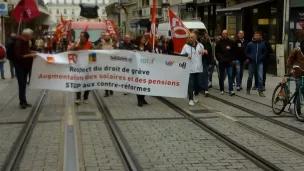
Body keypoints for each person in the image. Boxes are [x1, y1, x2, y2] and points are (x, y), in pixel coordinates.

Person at [13, 29, 37, 109]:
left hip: (25, 66)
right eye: (31, 35)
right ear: (26, 35)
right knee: (22, 84)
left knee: (23, 84)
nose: (32, 37)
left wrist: (31, 51)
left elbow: (25, 51)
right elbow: (18, 56)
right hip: (20, 66)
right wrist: (30, 55)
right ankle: (22, 102)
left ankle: (24, 101)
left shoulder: (26, 42)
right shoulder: (18, 42)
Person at [70, 31, 95, 105]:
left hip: (87, 66)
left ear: (86, 38)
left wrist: (90, 64)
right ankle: (78, 98)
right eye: (80, 36)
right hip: (78, 66)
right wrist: (75, 46)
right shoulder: (77, 43)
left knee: (87, 83)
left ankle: (85, 97)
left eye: (82, 36)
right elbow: (70, 52)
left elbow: (94, 55)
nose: (80, 37)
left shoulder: (91, 44)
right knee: (78, 82)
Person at [180, 33, 204, 106]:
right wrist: (186, 55)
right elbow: (181, 55)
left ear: (195, 38)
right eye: (189, 37)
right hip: (190, 69)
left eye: (192, 37)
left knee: (199, 84)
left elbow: (205, 53)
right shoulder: (186, 46)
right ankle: (190, 99)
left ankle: (195, 94)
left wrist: (205, 52)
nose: (190, 38)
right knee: (191, 84)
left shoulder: (200, 45)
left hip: (199, 68)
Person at [245, 31, 267, 97]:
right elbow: (246, 52)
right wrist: (250, 57)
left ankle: (260, 91)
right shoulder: (250, 44)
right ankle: (248, 89)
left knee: (260, 77)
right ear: (254, 36)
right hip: (252, 62)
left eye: (258, 35)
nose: (257, 36)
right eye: (255, 35)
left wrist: (261, 57)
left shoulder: (263, 44)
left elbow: (265, 52)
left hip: (260, 62)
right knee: (250, 77)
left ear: (260, 36)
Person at [215, 30, 235, 96]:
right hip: (222, 62)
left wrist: (232, 59)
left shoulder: (231, 42)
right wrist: (219, 59)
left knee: (230, 76)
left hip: (229, 62)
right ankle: (222, 89)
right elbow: (216, 52)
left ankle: (231, 90)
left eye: (225, 33)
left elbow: (233, 52)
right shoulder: (219, 42)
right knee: (221, 76)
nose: (224, 35)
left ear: (227, 34)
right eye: (223, 33)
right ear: (222, 34)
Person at [96, 32, 115, 97]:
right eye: (105, 36)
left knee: (111, 77)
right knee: (105, 77)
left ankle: (111, 88)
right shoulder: (101, 43)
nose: (106, 37)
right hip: (104, 63)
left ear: (110, 37)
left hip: (112, 63)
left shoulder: (113, 43)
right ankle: (106, 91)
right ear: (103, 37)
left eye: (108, 36)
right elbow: (95, 50)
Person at [287, 40, 304, 114]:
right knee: (299, 90)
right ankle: (297, 109)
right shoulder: (296, 50)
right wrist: (291, 68)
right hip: (298, 72)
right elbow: (290, 59)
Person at [135, 35, 150, 107]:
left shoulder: (147, 47)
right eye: (142, 39)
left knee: (145, 84)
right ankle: (139, 100)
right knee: (139, 84)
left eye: (144, 39)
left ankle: (143, 98)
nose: (144, 40)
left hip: (146, 68)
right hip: (138, 69)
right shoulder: (135, 47)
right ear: (139, 40)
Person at [201, 32, 212, 96]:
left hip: (205, 61)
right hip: (201, 60)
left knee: (205, 74)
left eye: (207, 36)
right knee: (203, 74)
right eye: (206, 36)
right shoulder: (201, 42)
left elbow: (210, 53)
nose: (207, 37)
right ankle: (204, 88)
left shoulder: (209, 43)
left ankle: (206, 89)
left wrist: (210, 62)